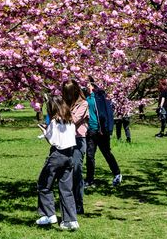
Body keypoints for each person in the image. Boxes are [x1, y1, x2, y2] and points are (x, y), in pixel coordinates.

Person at [36, 95, 79, 231]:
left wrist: (44, 131)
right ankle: (71, 220)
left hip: (57, 155)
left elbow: (53, 141)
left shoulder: (54, 122)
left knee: (44, 184)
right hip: (69, 156)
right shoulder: (71, 122)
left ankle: (49, 214)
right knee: (66, 189)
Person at [85, 83, 121, 188]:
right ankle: (89, 179)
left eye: (88, 85)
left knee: (106, 153)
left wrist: (107, 129)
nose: (86, 86)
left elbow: (107, 113)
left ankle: (117, 173)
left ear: (93, 86)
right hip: (90, 130)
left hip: (101, 131)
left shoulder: (100, 97)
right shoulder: (85, 98)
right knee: (90, 155)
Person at [62, 81, 88, 213]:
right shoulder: (64, 103)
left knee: (77, 171)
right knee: (65, 172)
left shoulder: (83, 104)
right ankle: (67, 203)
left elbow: (74, 120)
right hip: (64, 140)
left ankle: (78, 204)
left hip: (78, 140)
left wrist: (61, 114)